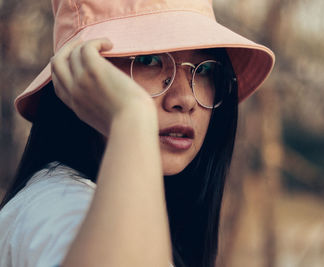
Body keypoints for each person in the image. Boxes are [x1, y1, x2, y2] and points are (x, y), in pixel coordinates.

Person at [0, 0, 274, 266]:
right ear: (79, 78)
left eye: (206, 70)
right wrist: (131, 119)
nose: (185, 99)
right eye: (148, 60)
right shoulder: (57, 209)